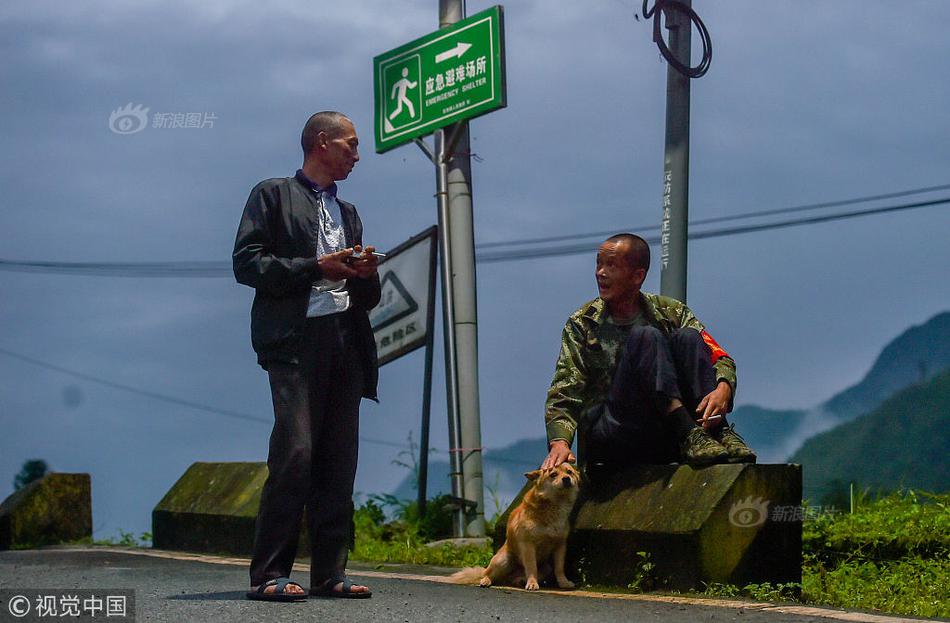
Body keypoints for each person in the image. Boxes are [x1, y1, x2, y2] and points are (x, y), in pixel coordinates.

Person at [233, 111, 380, 600]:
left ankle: (329, 573)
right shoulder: (271, 194)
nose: (357, 156)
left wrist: (363, 272)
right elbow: (247, 263)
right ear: (322, 143)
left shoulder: (350, 212)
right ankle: (269, 574)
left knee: (340, 459)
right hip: (294, 342)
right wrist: (316, 266)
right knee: (296, 453)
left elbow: (367, 297)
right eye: (351, 146)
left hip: (345, 340)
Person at [541, 233, 755, 472]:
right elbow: (564, 391)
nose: (600, 272)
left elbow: (717, 355)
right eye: (598, 264)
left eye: (611, 265)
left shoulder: (670, 312)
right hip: (612, 435)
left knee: (688, 337)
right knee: (647, 336)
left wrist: (724, 387)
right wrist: (559, 442)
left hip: (661, 434)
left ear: (637, 276)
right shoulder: (583, 323)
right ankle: (687, 430)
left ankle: (718, 430)